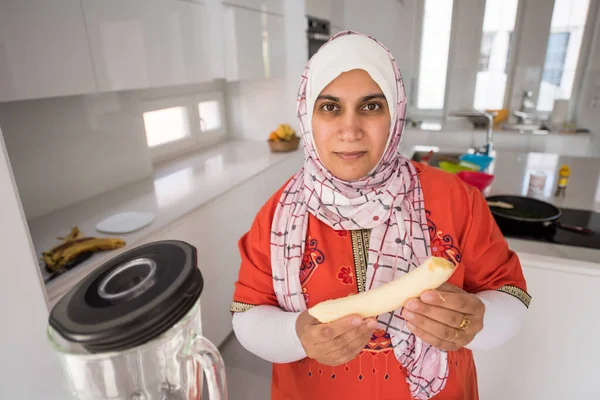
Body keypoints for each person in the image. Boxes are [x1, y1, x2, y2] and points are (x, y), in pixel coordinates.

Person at [230, 31, 530, 400]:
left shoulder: (457, 199)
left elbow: (510, 293)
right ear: (308, 116)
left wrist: (479, 320)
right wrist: (298, 336)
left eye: (371, 106)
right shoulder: (278, 215)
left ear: (396, 112)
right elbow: (247, 315)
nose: (350, 130)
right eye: (330, 107)